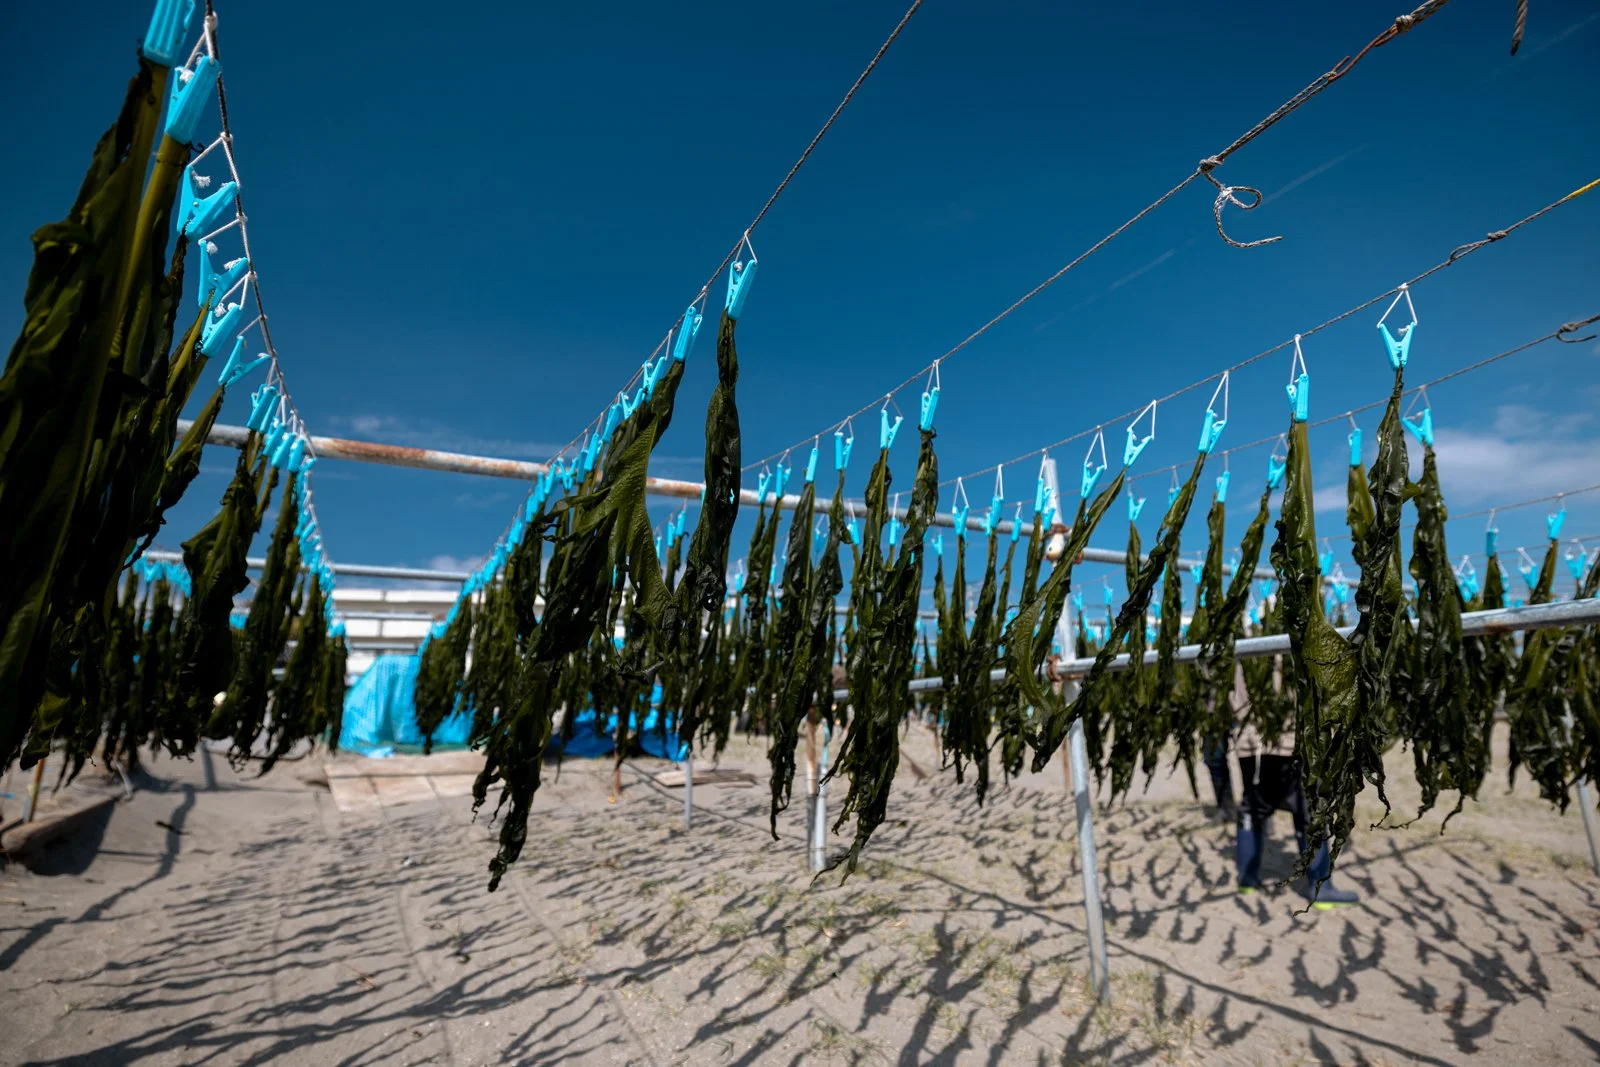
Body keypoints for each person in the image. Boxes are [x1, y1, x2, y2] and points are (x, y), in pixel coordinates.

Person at [1230, 661, 1360, 909]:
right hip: (1289, 742)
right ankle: (1321, 889)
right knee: (1310, 814)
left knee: (1252, 810)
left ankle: (1247, 879)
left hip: (1250, 743)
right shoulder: (1290, 642)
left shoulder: (1241, 642)